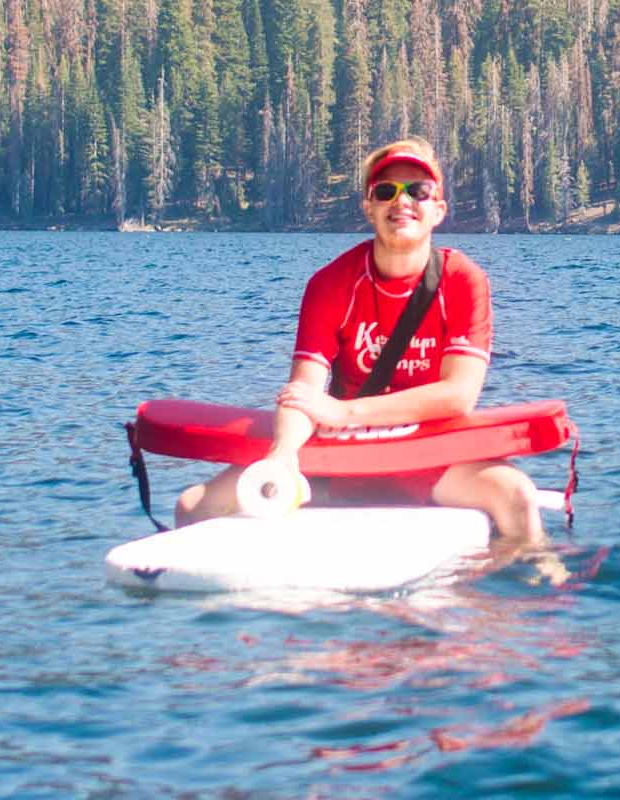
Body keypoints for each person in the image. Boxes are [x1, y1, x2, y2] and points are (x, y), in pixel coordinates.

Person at [174, 137, 547, 545]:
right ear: (369, 207)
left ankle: (533, 584)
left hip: (429, 451)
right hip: (342, 456)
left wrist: (344, 413)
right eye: (385, 191)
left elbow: (459, 395)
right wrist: (282, 457)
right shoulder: (330, 284)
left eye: (418, 191)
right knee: (193, 506)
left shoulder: (463, 280)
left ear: (438, 210)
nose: (401, 201)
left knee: (517, 497)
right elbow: (304, 394)